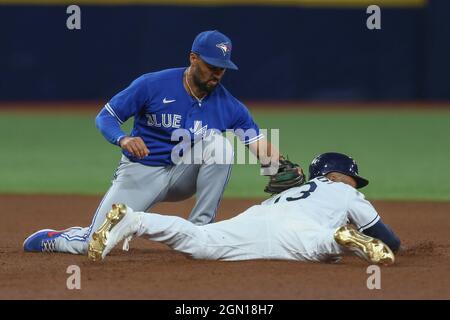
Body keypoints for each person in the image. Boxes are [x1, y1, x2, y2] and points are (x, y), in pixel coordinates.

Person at [23, 30, 304, 258]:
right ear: (193, 58)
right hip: (141, 172)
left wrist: (278, 166)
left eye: (223, 69)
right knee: (95, 243)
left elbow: (256, 142)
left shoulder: (229, 105)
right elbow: (106, 117)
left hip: (183, 174)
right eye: (211, 66)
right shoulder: (153, 85)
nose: (217, 74)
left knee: (220, 147)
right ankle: (55, 238)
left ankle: (199, 232)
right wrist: (123, 138)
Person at [86, 152, 401, 265]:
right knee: (322, 248)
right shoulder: (345, 193)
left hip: (259, 215)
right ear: (337, 175)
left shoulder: (298, 190)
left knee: (200, 241)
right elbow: (390, 240)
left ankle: (135, 220)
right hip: (299, 231)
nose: (355, 184)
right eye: (352, 178)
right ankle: (340, 238)